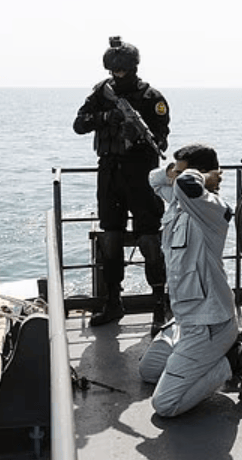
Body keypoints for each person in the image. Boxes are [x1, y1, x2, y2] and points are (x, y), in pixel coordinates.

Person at [138, 143, 242, 417]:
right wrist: (173, 171)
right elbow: (153, 179)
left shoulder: (212, 209)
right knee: (148, 371)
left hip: (210, 324)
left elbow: (187, 184)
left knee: (165, 404)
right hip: (184, 321)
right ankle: (223, 349)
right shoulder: (178, 203)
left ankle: (237, 359)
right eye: (176, 173)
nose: (175, 178)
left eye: (182, 172)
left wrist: (204, 177)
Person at [73, 36, 170, 334]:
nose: (118, 74)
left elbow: (161, 142)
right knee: (111, 239)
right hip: (110, 174)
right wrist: (107, 117)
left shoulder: (151, 97)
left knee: (150, 240)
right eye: (114, 70)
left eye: (123, 70)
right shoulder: (101, 93)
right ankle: (113, 302)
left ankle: (159, 306)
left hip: (141, 176)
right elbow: (79, 124)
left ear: (133, 67)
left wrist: (137, 135)